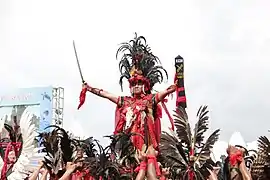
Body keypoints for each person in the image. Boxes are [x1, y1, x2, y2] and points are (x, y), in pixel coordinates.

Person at [82, 33, 176, 152]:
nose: (136, 86)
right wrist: (90, 89)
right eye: (133, 84)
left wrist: (172, 88)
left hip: (146, 144)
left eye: (139, 83)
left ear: (145, 85)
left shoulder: (150, 99)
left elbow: (164, 92)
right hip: (129, 144)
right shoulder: (125, 101)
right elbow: (106, 94)